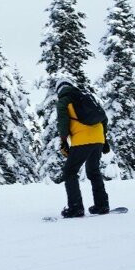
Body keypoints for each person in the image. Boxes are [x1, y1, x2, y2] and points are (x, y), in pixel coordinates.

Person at [55, 78, 110, 218]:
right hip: (98, 137)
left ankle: (75, 208)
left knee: (70, 172)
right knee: (93, 171)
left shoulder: (63, 101)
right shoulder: (87, 97)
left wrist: (63, 141)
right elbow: (103, 117)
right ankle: (102, 205)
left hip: (82, 140)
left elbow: (63, 122)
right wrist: (104, 139)